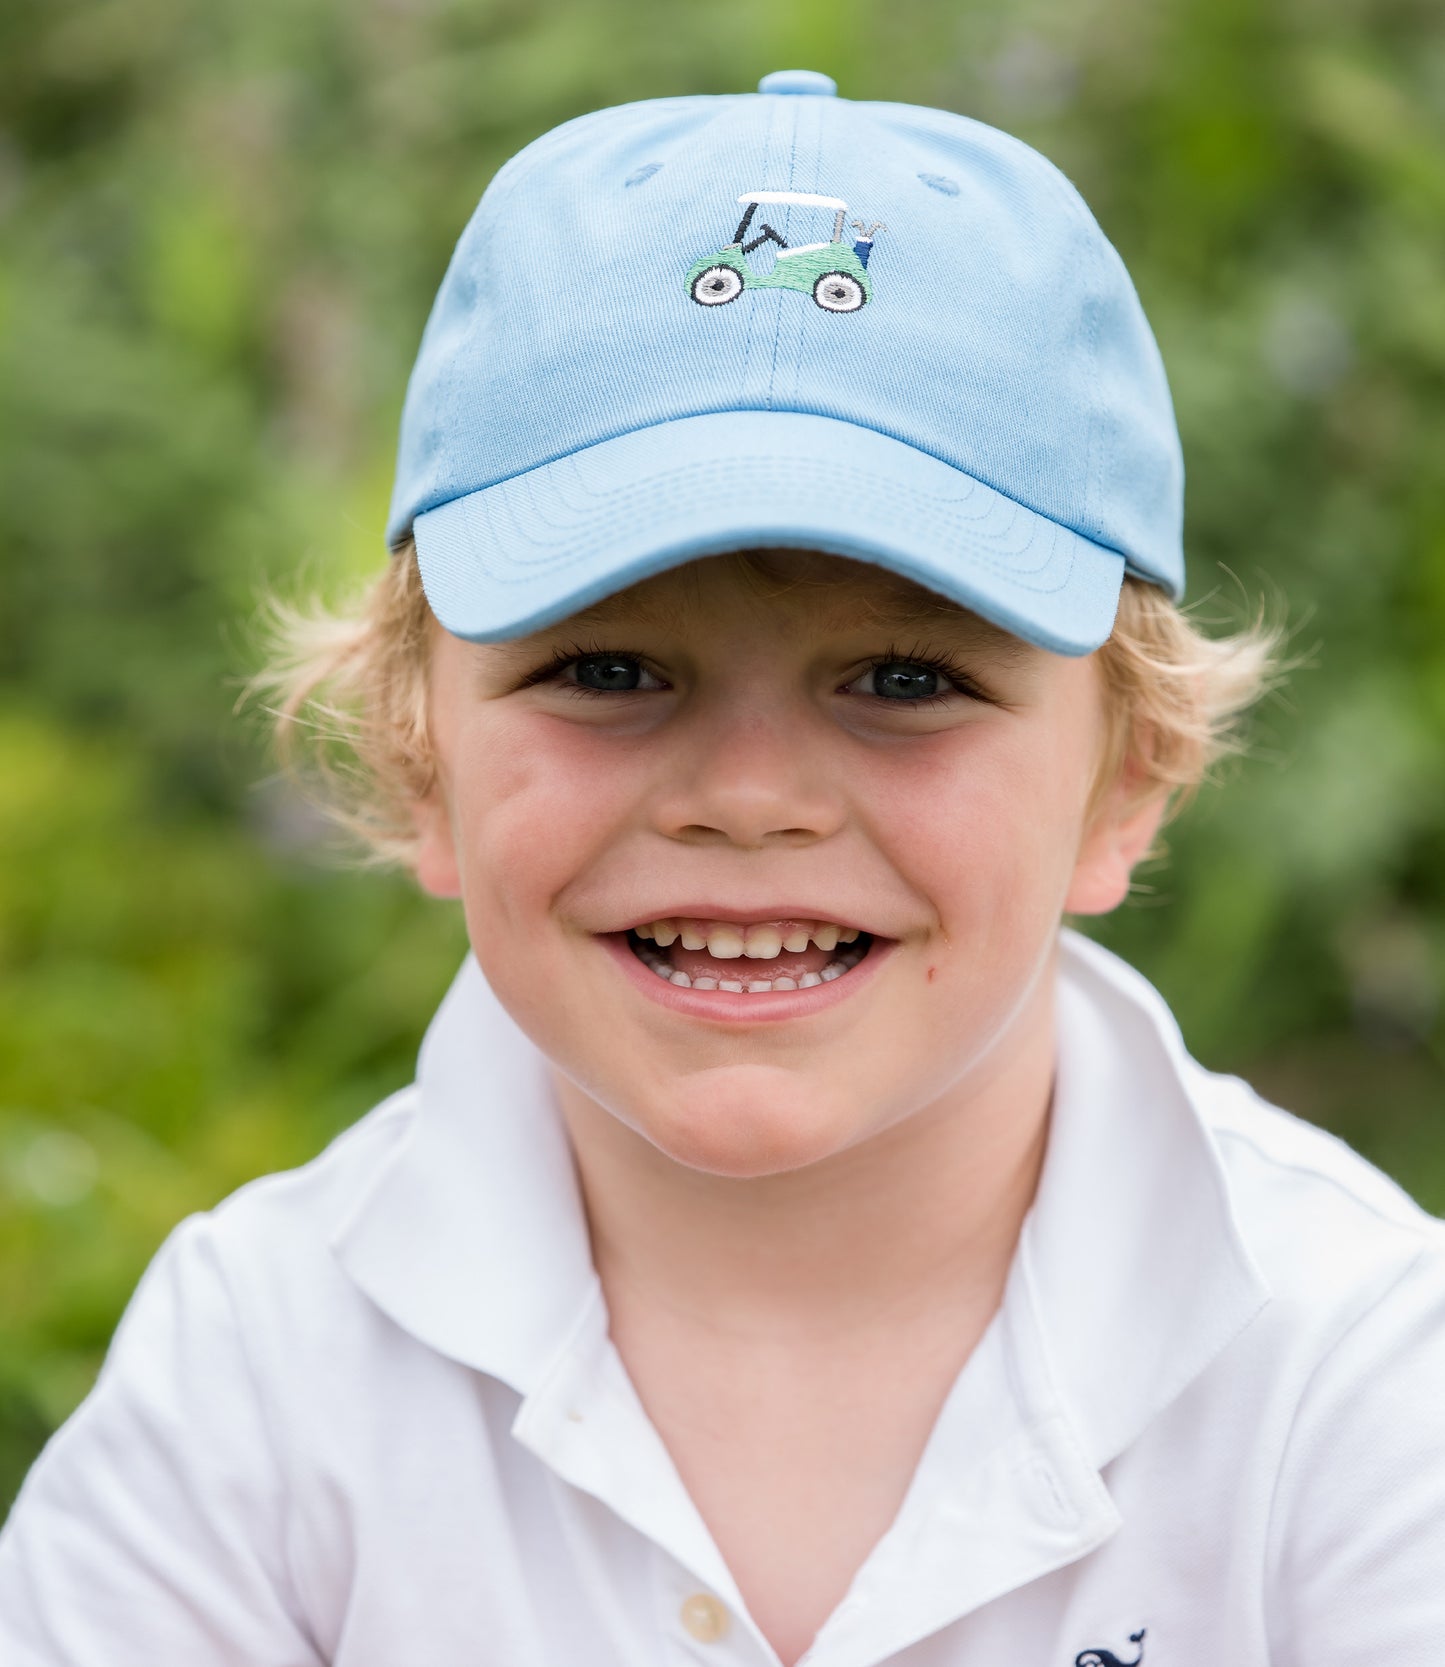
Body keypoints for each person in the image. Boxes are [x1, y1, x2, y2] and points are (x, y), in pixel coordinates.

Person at [2, 67, 1442, 1667]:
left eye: (905, 680)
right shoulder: (255, 1376)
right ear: (419, 762)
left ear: (1129, 782)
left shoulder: (1359, 1375)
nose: (749, 799)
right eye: (610, 671)